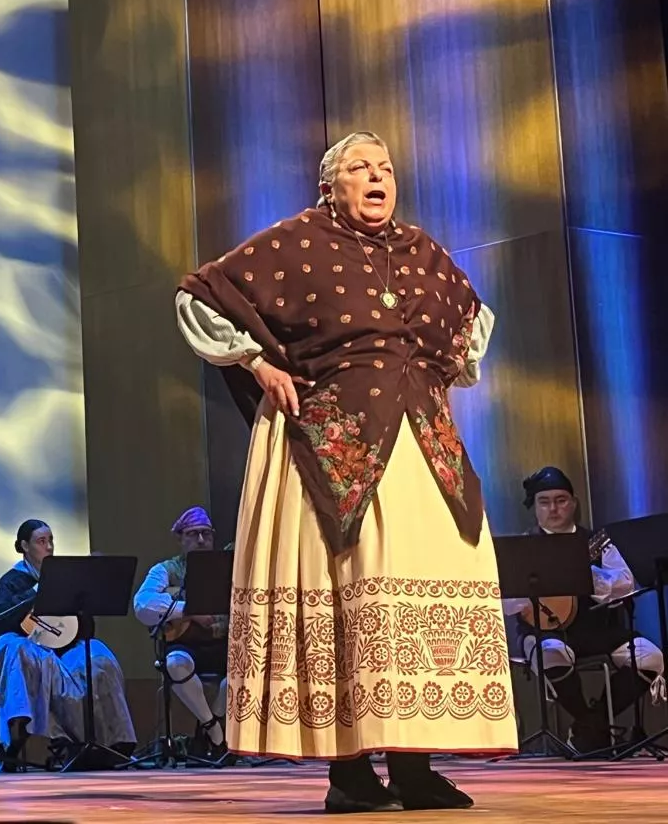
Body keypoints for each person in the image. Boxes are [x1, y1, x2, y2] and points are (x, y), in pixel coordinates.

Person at [176, 131, 515, 812]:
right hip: (330, 439)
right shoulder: (297, 240)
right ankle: (350, 773)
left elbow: (470, 326)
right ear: (329, 185)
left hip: (421, 443)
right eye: (360, 167)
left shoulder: (421, 251)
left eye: (385, 167)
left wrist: (437, 370)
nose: (376, 176)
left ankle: (415, 769)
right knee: (347, 591)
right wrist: (258, 363)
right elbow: (200, 296)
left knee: (414, 592)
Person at [503, 466, 663, 752]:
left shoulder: (597, 542)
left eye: (561, 500)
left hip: (598, 630)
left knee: (651, 657)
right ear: (534, 507)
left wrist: (585, 574)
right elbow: (505, 602)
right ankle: (593, 728)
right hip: (543, 632)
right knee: (551, 654)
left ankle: (591, 724)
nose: (554, 508)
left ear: (574, 503)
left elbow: (625, 583)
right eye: (544, 501)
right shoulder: (524, 547)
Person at [0, 518, 136, 768]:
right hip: (30, 650)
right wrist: (38, 591)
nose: (49, 547)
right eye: (42, 541)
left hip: (64, 652)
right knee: (12, 648)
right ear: (24, 546)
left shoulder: (65, 578)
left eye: (51, 540)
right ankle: (18, 734)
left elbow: (85, 626)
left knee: (98, 657)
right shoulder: (12, 580)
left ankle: (111, 742)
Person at [133, 506, 230, 760]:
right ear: (180, 538)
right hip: (186, 644)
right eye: (193, 534)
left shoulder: (229, 567)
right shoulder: (165, 570)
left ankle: (212, 725)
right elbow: (142, 605)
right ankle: (214, 731)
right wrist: (189, 610)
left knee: (245, 670)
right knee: (175, 664)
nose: (200, 540)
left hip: (224, 643)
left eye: (206, 534)